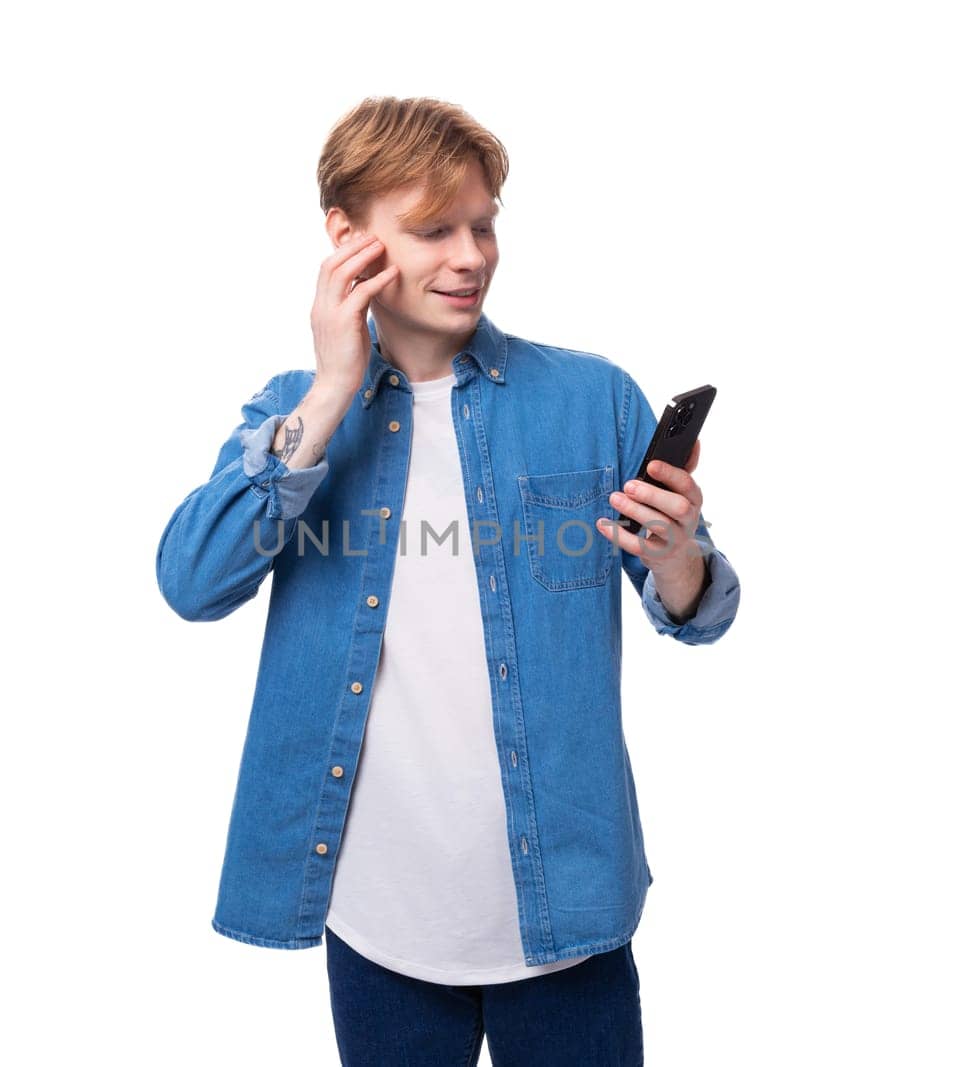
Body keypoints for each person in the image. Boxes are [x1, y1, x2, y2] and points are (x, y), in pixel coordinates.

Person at [155, 96, 740, 1066]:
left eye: (483, 223)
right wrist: (334, 386)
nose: (470, 254)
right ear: (345, 237)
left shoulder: (592, 397)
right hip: (381, 927)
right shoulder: (292, 412)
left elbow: (700, 608)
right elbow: (192, 576)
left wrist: (676, 553)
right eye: (432, 229)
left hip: (569, 912)